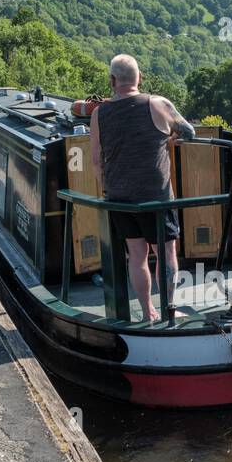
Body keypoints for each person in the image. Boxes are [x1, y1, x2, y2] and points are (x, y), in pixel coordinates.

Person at [90, 54, 196, 322]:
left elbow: (95, 161)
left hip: (120, 198)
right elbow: (189, 132)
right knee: (166, 252)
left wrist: (107, 191)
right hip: (157, 198)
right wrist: (168, 136)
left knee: (136, 256)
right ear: (141, 78)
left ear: (112, 81)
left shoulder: (99, 114)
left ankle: (147, 310)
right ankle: (169, 308)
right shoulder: (158, 104)